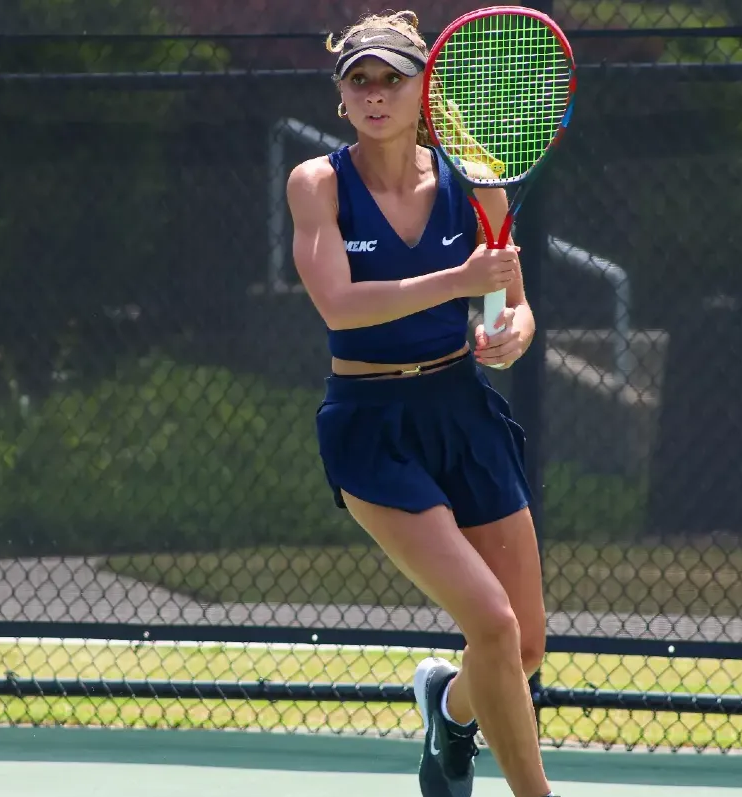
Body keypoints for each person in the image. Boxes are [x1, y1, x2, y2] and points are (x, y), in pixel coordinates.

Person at [284, 9, 563, 797]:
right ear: (342, 97)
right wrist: (456, 283)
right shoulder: (317, 184)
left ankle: (447, 706)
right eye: (358, 80)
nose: (374, 93)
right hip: (372, 426)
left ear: (425, 87)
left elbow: (509, 300)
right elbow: (338, 305)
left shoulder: (477, 178)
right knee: (494, 623)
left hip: (462, 410)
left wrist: (513, 331)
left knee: (525, 644)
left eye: (391, 78)